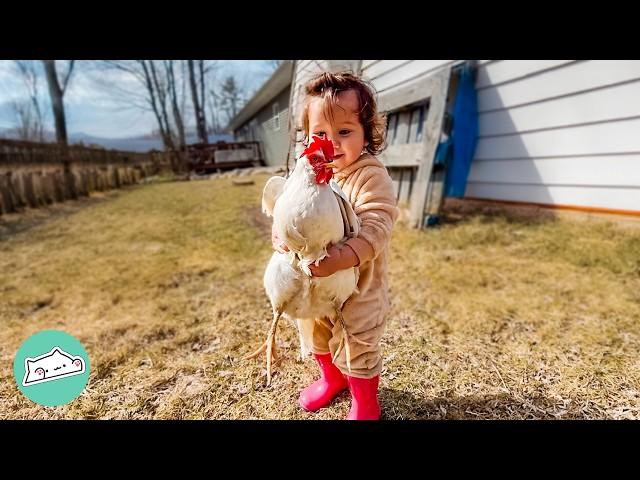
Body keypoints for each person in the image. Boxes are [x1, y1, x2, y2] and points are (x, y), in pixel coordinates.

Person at [272, 71, 399, 420]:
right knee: (314, 330)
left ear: (367, 132)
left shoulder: (369, 175)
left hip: (360, 284)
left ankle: (364, 400)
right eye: (320, 134)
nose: (333, 143)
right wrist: (282, 237)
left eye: (344, 132)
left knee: (357, 340)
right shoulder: (307, 171)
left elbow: (377, 227)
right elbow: (288, 210)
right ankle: (331, 380)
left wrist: (343, 256)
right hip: (314, 284)